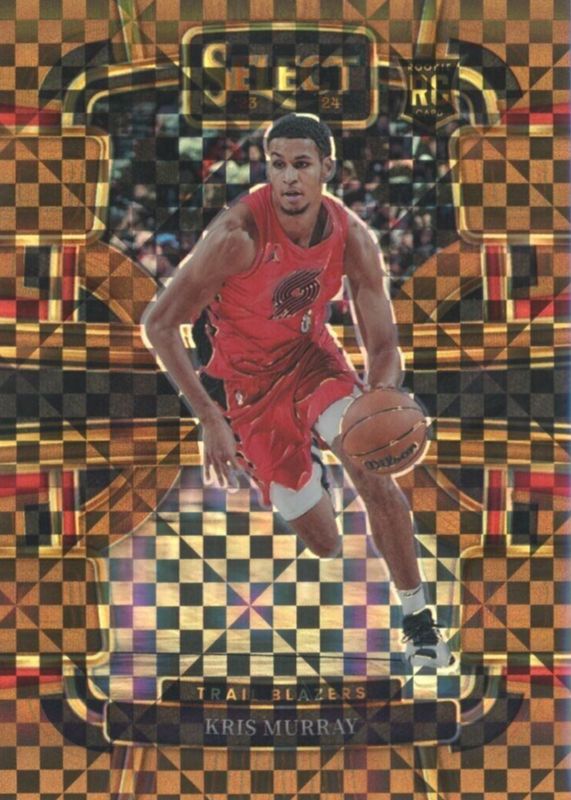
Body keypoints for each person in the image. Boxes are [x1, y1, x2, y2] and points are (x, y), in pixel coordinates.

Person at [142, 113, 453, 669]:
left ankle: (419, 623)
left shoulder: (352, 238)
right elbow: (159, 325)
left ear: (327, 169)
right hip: (245, 388)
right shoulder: (235, 239)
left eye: (301, 164)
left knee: (372, 470)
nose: (288, 177)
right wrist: (209, 418)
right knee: (325, 543)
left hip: (312, 362)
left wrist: (378, 400)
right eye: (277, 164)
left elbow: (384, 344)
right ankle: (311, 466)